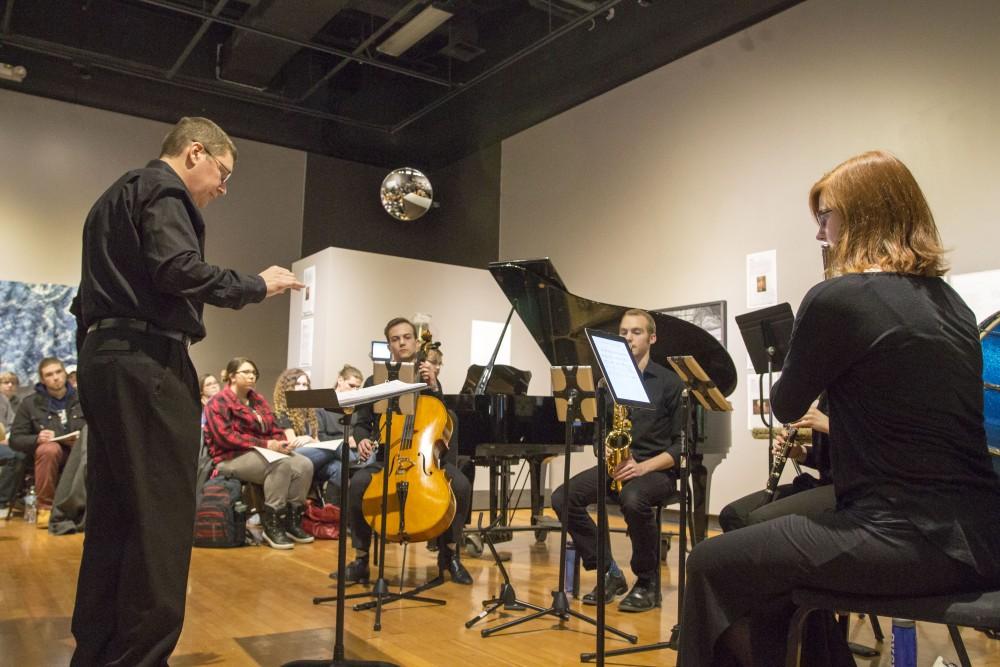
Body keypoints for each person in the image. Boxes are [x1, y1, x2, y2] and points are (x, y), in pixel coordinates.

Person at [679, 150, 1000, 666]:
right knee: (757, 545)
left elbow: (785, 406)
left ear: (863, 216)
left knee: (710, 562)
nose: (819, 234)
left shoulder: (840, 297)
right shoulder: (950, 303)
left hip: (905, 535)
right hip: (980, 534)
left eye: (824, 216)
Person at [70, 116, 303, 667]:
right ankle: (141, 657)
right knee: (161, 522)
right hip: (148, 362)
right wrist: (257, 285)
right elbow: (179, 268)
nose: (221, 189)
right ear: (195, 152)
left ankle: (99, 652)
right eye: (222, 175)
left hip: (104, 358)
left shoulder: (110, 199)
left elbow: (86, 301)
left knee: (113, 517)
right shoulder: (164, 188)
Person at [550, 309, 685, 612]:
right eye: (624, 332)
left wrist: (643, 466)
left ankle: (648, 581)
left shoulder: (670, 383)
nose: (628, 337)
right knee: (562, 497)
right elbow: (601, 433)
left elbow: (681, 447)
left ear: (652, 338)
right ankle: (609, 570)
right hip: (617, 465)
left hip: (655, 469)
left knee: (634, 498)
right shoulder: (605, 383)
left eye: (636, 332)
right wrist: (609, 456)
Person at [336, 317, 474, 586]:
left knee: (461, 485)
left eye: (407, 337)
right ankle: (361, 558)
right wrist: (363, 439)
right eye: (395, 339)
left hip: (428, 461)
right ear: (389, 345)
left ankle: (450, 555)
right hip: (389, 460)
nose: (402, 342)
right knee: (358, 485)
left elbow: (441, 417)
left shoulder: (428, 378)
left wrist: (433, 386)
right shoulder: (375, 380)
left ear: (414, 339)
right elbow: (363, 423)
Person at [203, 357, 315, 550]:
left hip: (261, 452)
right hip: (230, 457)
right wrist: (266, 444)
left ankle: (291, 522)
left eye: (254, 373)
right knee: (281, 465)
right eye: (246, 372)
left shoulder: (257, 400)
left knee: (304, 464)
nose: (251, 376)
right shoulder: (218, 402)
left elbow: (273, 427)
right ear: (232, 376)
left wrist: (281, 442)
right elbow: (225, 437)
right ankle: (271, 525)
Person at [717, 398, 834, 532]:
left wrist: (830, 426)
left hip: (849, 491)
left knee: (757, 520)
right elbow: (830, 459)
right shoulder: (826, 396)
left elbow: (861, 455)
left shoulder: (859, 390)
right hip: (821, 485)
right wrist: (799, 452)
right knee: (731, 515)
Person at [8, 357, 87, 529]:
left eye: (59, 372)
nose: (56, 377)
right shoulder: (30, 403)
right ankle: (46, 508)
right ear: (43, 380)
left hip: (80, 452)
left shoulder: (83, 397)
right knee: (48, 449)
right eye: (49, 375)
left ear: (65, 374)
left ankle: (88, 509)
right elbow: (15, 439)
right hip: (50, 456)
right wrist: (37, 438)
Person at [272, 366, 364, 502]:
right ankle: (359, 463)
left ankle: (332, 513)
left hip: (314, 455)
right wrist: (309, 439)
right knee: (340, 445)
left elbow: (317, 441)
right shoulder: (282, 412)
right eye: (297, 384)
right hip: (291, 454)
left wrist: (309, 439)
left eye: (305, 384)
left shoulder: (309, 410)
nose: (302, 388)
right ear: (288, 386)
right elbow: (292, 442)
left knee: (338, 467)